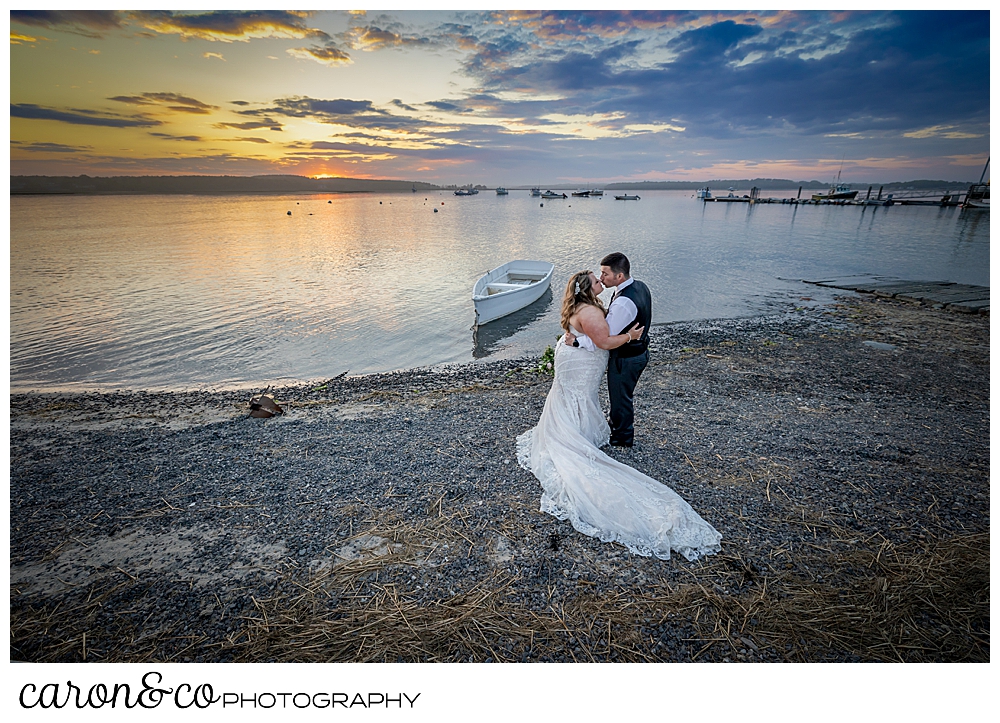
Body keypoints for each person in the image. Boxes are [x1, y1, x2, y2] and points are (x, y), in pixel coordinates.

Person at [516, 270, 722, 561]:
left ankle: (574, 428)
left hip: (573, 357)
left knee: (572, 396)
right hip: (581, 363)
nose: (601, 281)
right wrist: (630, 336)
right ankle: (575, 435)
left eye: (603, 276)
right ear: (588, 289)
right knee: (577, 395)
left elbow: (586, 334)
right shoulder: (589, 311)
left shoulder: (581, 306)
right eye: (597, 280)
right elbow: (604, 342)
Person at [566, 252, 649, 447]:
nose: (601, 278)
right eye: (599, 275)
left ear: (619, 276)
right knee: (622, 395)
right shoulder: (639, 286)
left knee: (620, 398)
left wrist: (577, 342)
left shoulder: (623, 303)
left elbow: (603, 339)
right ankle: (617, 428)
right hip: (638, 352)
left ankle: (622, 438)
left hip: (626, 357)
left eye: (604, 274)